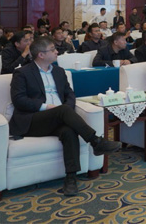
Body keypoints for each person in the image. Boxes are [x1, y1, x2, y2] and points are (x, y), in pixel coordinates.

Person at [9, 37, 121, 196]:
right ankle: (96, 141)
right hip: (33, 120)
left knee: (69, 131)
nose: (57, 52)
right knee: (62, 110)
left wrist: (66, 109)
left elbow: (70, 95)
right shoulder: (22, 73)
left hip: (59, 117)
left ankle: (71, 179)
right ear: (41, 54)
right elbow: (19, 100)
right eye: (52, 49)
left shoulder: (59, 71)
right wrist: (48, 107)